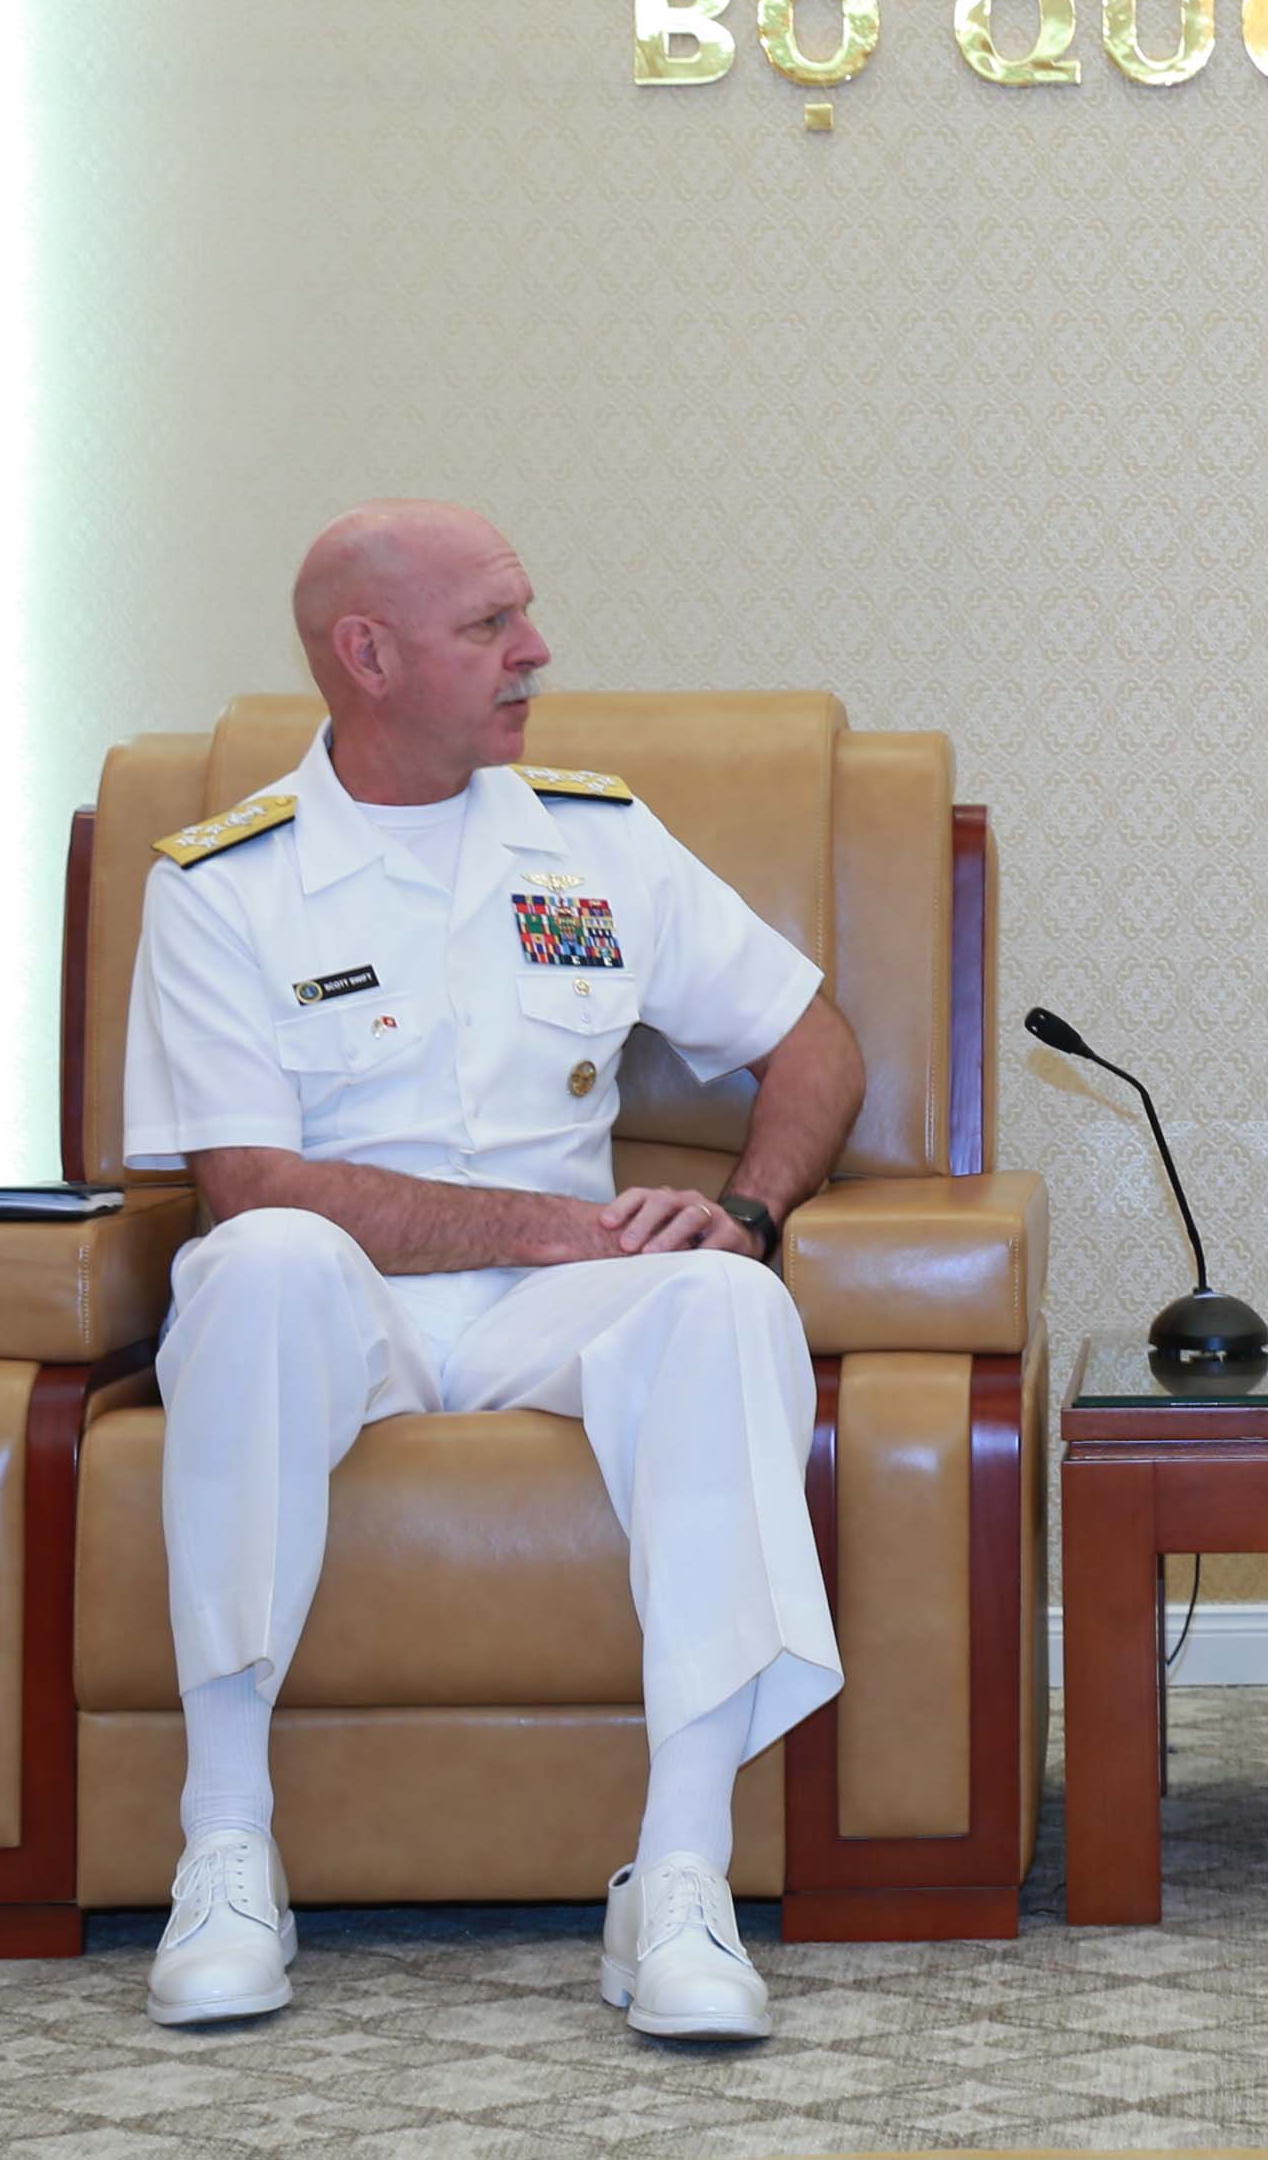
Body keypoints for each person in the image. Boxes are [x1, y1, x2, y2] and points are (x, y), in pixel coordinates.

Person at [121, 501, 867, 2041]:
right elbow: (250, 1181)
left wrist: (746, 1209)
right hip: (346, 1303)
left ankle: (680, 1875)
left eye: (523, 614)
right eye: (489, 625)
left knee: (728, 1298)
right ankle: (228, 1846)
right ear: (368, 654)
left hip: (559, 1304)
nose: (535, 650)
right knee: (254, 1263)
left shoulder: (594, 840)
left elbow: (814, 1043)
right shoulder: (224, 881)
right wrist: (543, 1226)